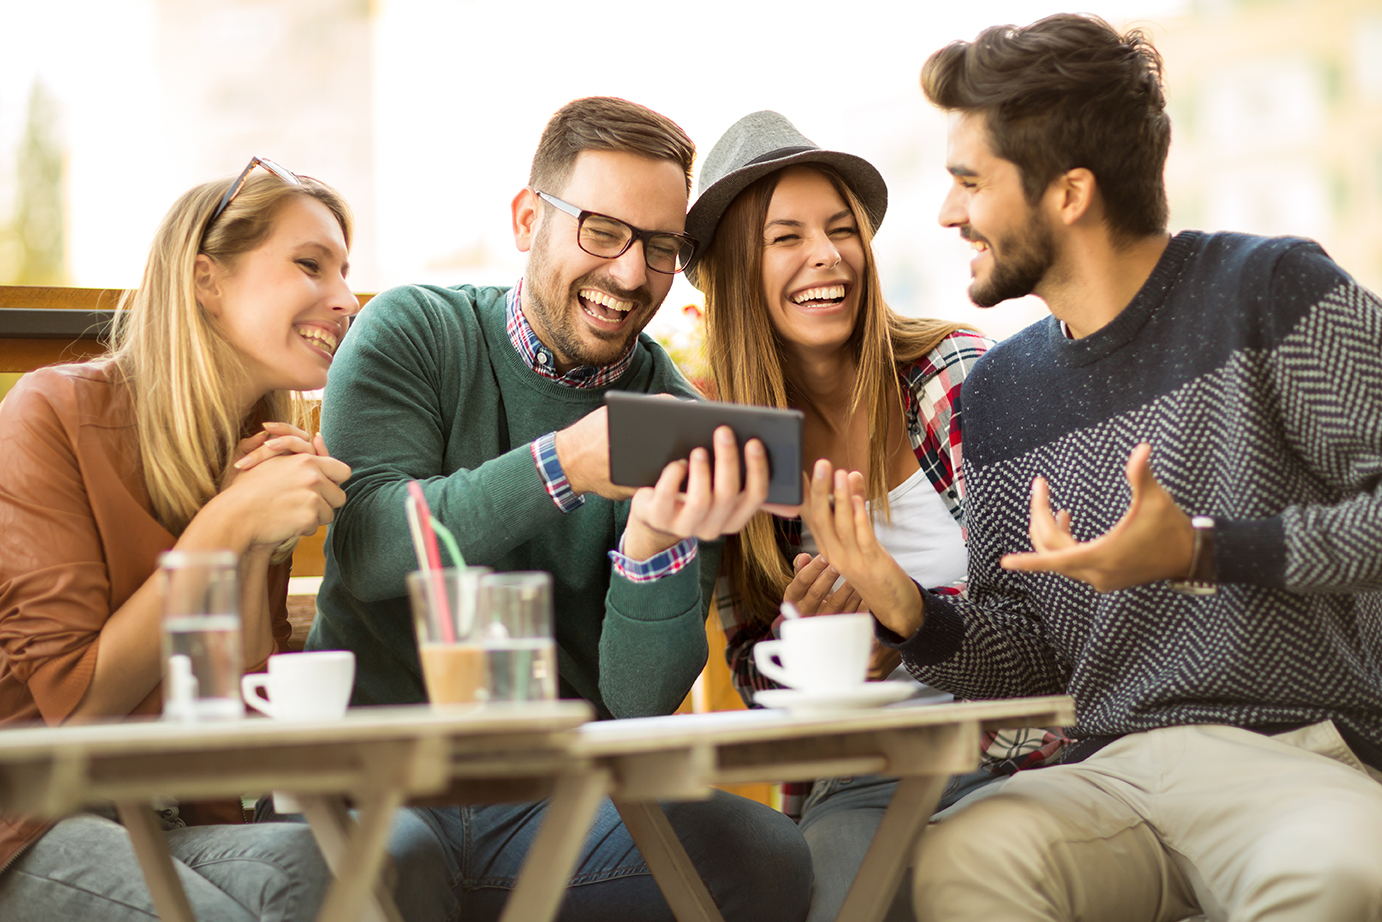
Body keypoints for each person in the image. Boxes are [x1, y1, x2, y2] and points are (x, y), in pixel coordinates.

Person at [803, 13, 1382, 921]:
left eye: (969, 183)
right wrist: (905, 605)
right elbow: (1029, 654)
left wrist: (1201, 549)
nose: (949, 213)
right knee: (965, 865)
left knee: (1333, 882)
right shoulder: (998, 392)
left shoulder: (1274, 292)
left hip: (1300, 755)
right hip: (1108, 773)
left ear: (1068, 193)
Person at [305, 96, 812, 922]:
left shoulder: (671, 412)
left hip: (560, 811)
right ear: (527, 219)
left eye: (660, 247)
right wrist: (567, 463)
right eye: (602, 231)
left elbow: (640, 704)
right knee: (388, 866)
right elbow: (367, 552)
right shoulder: (414, 331)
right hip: (372, 782)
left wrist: (654, 541)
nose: (629, 273)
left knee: (764, 856)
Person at [685, 111, 1061, 922]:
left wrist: (901, 618)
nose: (827, 255)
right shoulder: (731, 441)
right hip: (861, 774)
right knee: (832, 885)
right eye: (786, 237)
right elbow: (754, 670)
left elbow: (1048, 613)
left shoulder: (957, 377)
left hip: (1016, 753)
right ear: (733, 276)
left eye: (840, 229)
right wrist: (823, 650)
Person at [0, 159, 357, 920]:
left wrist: (251, 540)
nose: (346, 300)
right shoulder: (52, 413)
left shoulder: (255, 456)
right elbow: (75, 705)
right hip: (28, 818)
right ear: (206, 280)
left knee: (373, 866)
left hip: (159, 819)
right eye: (309, 264)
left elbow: (226, 722)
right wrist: (225, 527)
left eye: (346, 272)